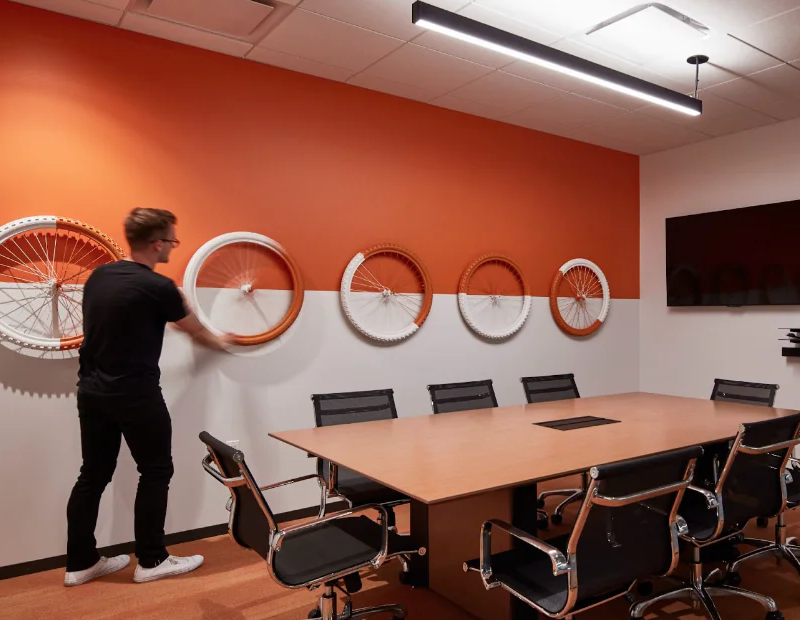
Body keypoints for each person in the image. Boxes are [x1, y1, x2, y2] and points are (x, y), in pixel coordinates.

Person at [65, 208, 228, 586]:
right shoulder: (158, 287)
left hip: (91, 393)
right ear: (157, 243)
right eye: (172, 240)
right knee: (156, 471)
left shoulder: (99, 277)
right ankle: (152, 560)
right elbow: (197, 333)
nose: (172, 246)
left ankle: (80, 563)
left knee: (92, 475)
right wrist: (224, 340)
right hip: (135, 394)